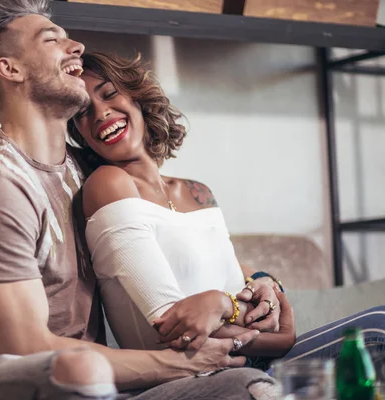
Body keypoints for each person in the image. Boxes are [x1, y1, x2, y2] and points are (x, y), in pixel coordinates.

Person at [0, 0, 281, 399]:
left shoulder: (85, 170)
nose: (76, 46)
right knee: (83, 369)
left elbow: (184, 244)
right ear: (11, 69)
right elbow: (23, 347)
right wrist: (182, 364)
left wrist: (260, 283)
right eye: (52, 39)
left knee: (254, 380)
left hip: (103, 379)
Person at [67, 51, 385, 375]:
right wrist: (277, 335)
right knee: (378, 332)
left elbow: (226, 270)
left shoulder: (196, 191)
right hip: (198, 374)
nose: (101, 113)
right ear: (78, 132)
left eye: (109, 94)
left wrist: (262, 282)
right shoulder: (108, 184)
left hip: (255, 362)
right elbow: (172, 324)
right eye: (82, 112)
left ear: (137, 98)